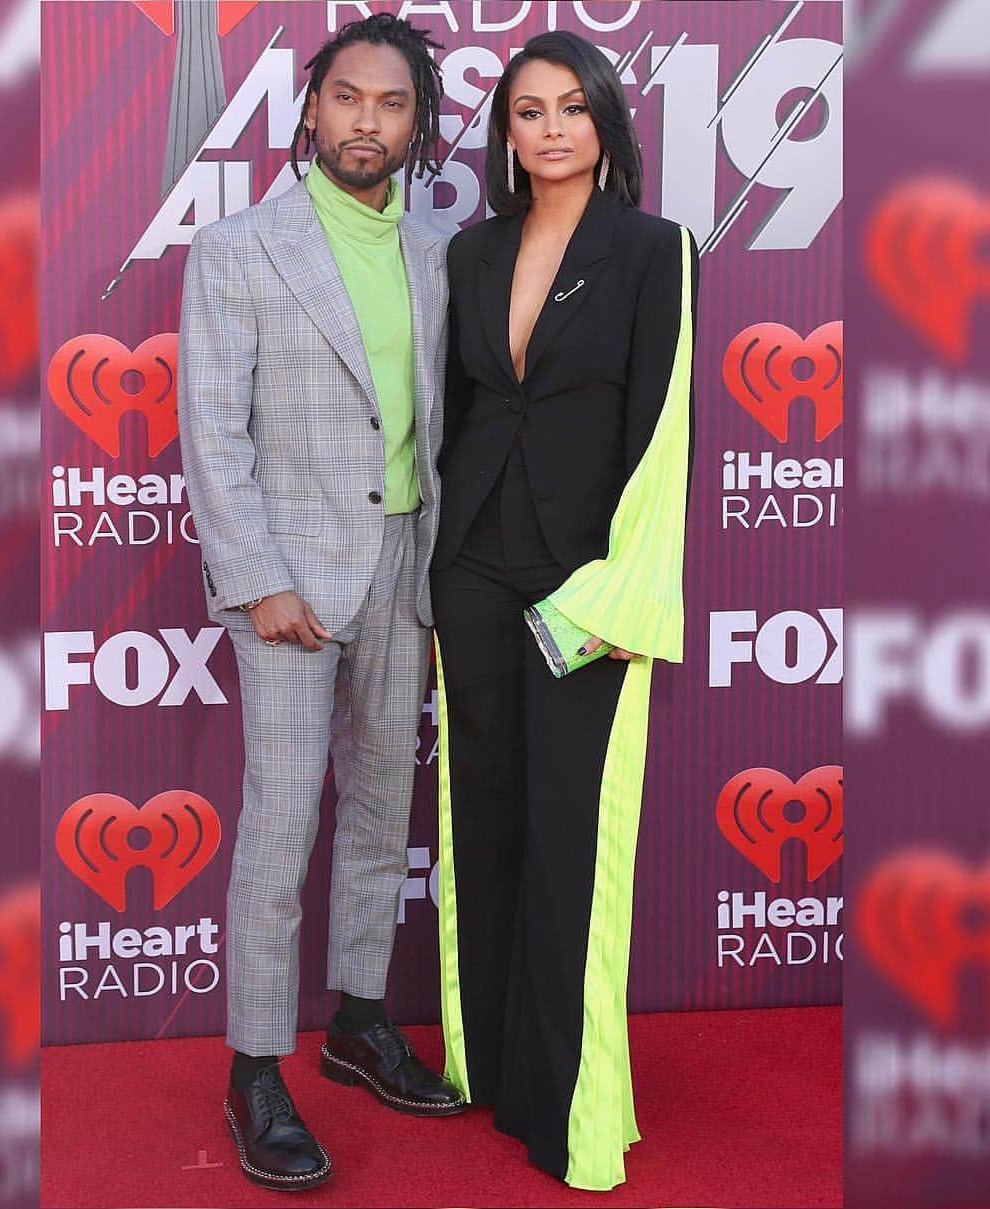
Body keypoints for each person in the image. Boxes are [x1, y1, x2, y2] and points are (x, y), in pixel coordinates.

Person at [178, 14, 464, 1193]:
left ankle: (356, 1019)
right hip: (290, 577)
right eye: (346, 98)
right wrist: (258, 579)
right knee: (282, 821)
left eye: (390, 105)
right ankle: (254, 1068)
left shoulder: (444, 251)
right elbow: (212, 431)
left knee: (382, 809)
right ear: (310, 110)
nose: (365, 122)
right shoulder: (241, 248)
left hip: (410, 565)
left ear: (416, 123)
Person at [431, 31, 699, 1192]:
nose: (549, 128)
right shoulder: (472, 253)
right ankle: (487, 1065)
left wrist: (619, 590)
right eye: (527, 111)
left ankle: (569, 1108)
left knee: (570, 841)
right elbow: (458, 413)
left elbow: (667, 428)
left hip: (587, 578)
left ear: (605, 122)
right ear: (506, 133)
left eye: (570, 107)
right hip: (474, 567)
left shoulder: (654, 251)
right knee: (482, 818)